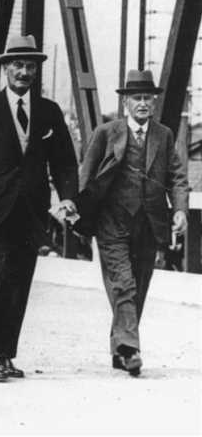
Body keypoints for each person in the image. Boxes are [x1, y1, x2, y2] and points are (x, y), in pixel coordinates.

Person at [0, 34, 78, 382]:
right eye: (17, 65)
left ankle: (6, 352)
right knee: (1, 280)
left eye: (30, 66)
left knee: (20, 283)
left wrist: (66, 196)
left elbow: (65, 163)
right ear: (5, 68)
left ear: (36, 70)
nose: (24, 72)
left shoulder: (49, 111)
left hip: (33, 215)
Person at [77, 69, 188, 376]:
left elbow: (177, 176)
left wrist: (179, 209)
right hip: (112, 221)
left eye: (148, 98)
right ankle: (131, 348)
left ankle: (120, 347)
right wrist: (81, 217)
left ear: (154, 102)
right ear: (125, 102)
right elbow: (86, 175)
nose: (142, 103)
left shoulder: (163, 135)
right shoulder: (105, 133)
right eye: (136, 98)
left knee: (138, 286)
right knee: (123, 283)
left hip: (150, 223)